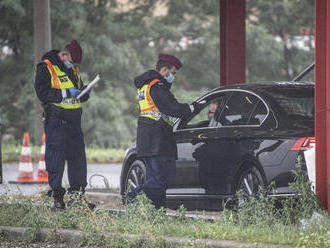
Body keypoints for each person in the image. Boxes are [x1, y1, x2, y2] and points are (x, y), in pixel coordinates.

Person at [125, 53, 202, 208]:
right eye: (172, 73)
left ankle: (156, 212)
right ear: (165, 70)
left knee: (157, 181)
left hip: (150, 140)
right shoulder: (156, 86)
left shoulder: (146, 85)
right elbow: (170, 107)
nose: (173, 76)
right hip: (157, 140)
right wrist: (191, 108)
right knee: (163, 179)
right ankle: (131, 197)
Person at [34, 40, 94, 211]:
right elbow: (43, 94)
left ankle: (77, 198)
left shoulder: (73, 70)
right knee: (56, 162)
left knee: (78, 162)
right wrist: (67, 93)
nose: (72, 65)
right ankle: (57, 200)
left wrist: (85, 93)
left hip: (74, 123)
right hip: (56, 123)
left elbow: (78, 92)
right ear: (64, 54)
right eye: (71, 61)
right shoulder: (46, 67)